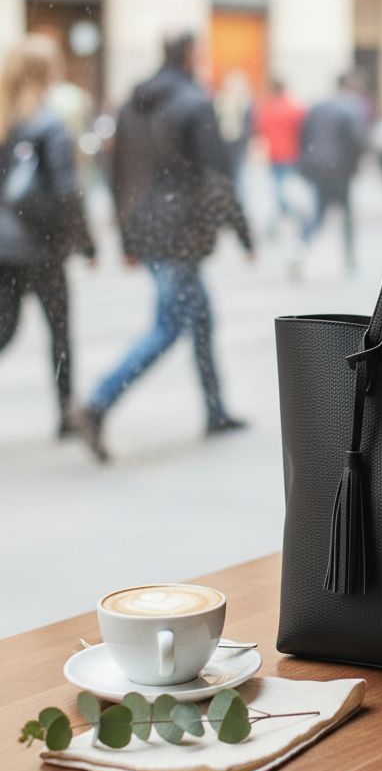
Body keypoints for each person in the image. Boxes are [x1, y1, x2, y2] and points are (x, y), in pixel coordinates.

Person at [74, 31, 253, 462]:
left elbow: (114, 172)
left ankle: (215, 410)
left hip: (148, 227)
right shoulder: (195, 104)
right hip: (181, 232)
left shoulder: (132, 104)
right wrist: (243, 231)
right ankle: (97, 403)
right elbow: (219, 175)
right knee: (170, 324)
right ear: (191, 55)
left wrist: (126, 236)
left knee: (201, 316)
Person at [0, 34, 96, 437]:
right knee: (59, 329)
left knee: (5, 327)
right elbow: (66, 193)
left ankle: (66, 413)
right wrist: (87, 242)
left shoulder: (5, 120)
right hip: (40, 246)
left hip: (4, 245)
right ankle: (66, 415)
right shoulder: (49, 124)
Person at [298, 71, 369, 272]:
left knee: (319, 212)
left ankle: (301, 247)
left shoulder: (319, 106)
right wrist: (354, 167)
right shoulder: (353, 108)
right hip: (340, 170)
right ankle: (349, 259)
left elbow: (304, 136)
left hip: (318, 167)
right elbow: (358, 141)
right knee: (346, 214)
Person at [255, 77, 307, 235]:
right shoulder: (294, 108)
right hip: (291, 153)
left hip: (275, 154)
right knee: (282, 190)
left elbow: (260, 128)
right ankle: (290, 217)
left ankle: (281, 221)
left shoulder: (267, 108)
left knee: (279, 190)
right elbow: (303, 130)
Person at [213, 69, 253, 196]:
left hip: (235, 145)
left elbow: (247, 126)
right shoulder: (220, 101)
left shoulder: (244, 103)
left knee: (237, 176)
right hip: (224, 145)